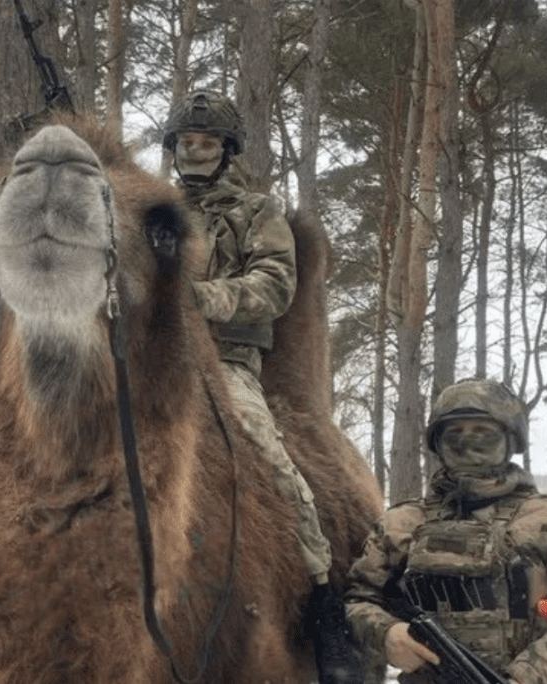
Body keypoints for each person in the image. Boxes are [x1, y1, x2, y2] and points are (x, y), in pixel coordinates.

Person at [163, 90, 359, 683]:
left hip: (225, 362)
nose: (196, 152)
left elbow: (274, 285)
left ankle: (325, 602)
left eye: (208, 143)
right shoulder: (150, 209)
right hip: (151, 360)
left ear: (227, 151)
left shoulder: (256, 211)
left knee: (275, 463)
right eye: (188, 142)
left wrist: (203, 299)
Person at [345, 378, 547, 684]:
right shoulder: (401, 523)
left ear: (510, 440)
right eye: (454, 433)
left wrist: (527, 678)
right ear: (438, 444)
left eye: (484, 433)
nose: (468, 443)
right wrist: (387, 633)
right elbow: (357, 599)